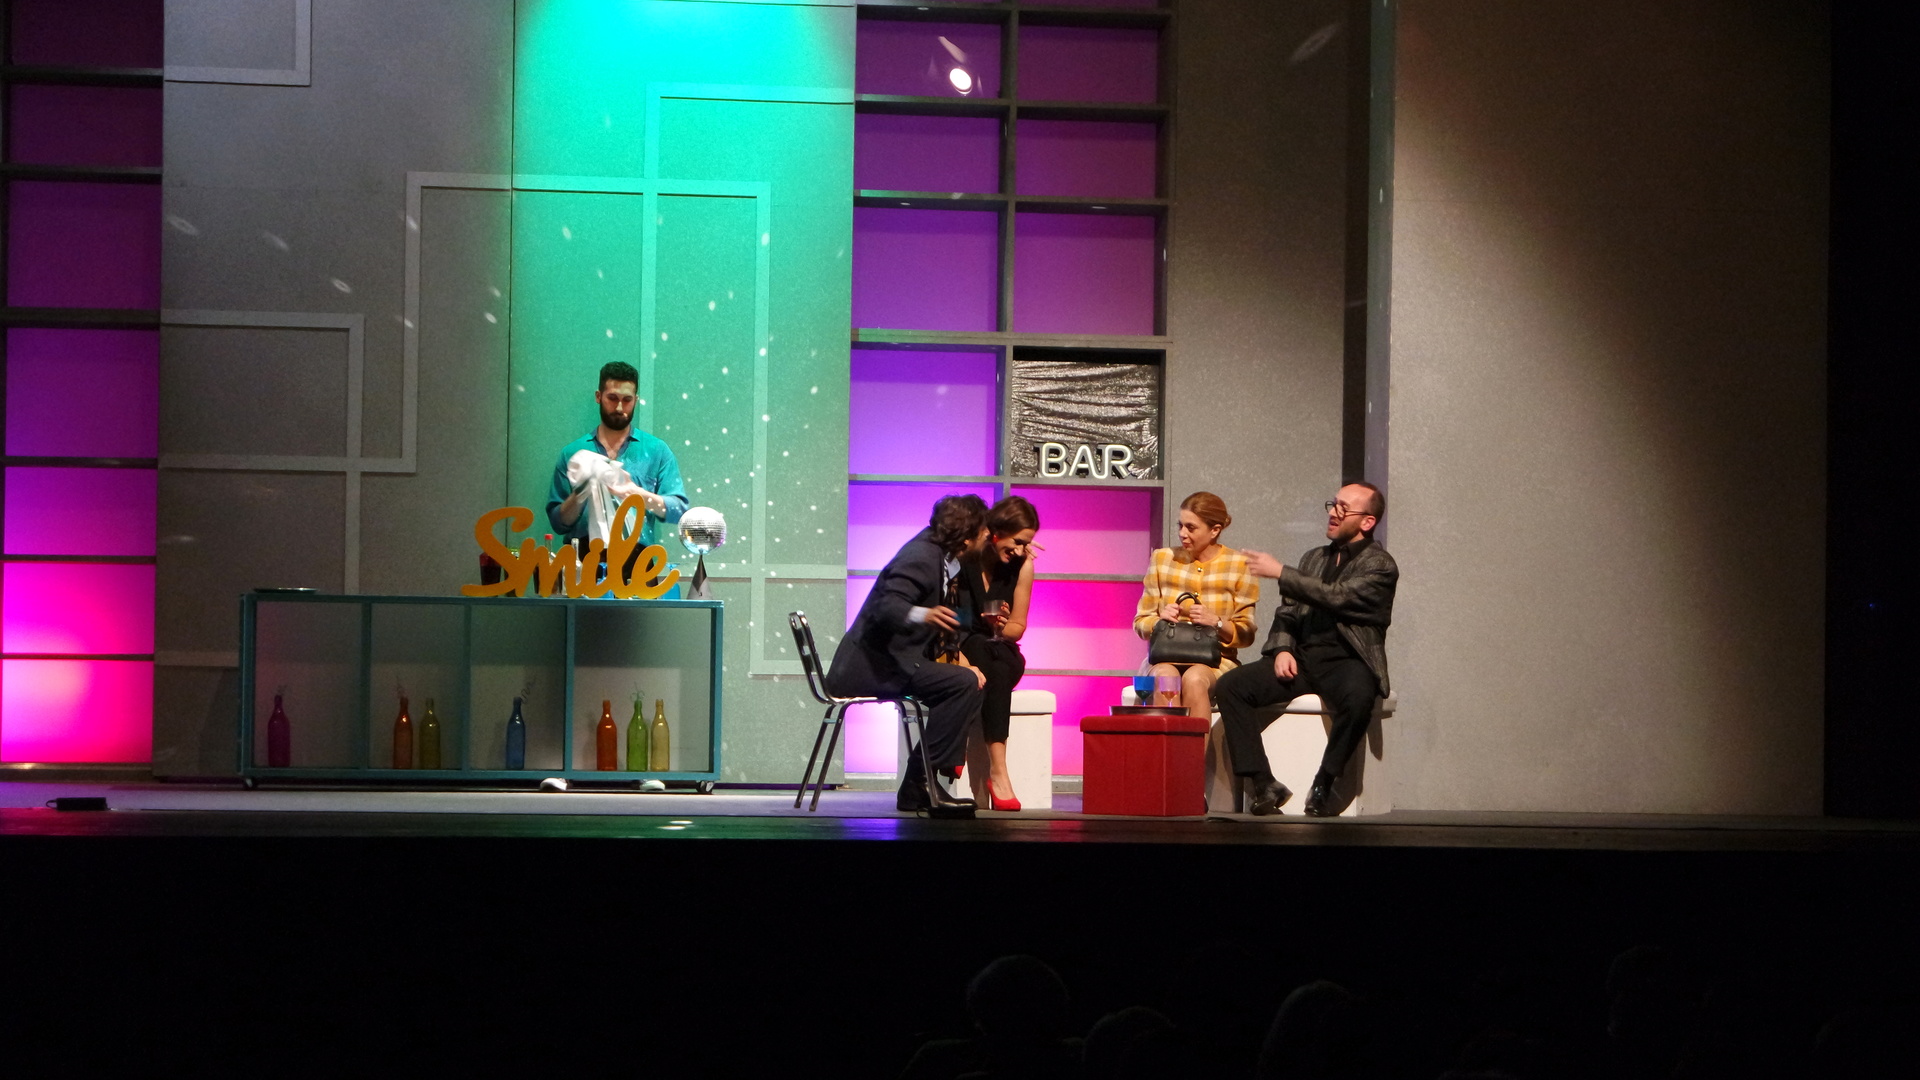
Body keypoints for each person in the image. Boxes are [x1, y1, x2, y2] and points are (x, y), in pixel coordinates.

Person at [1220, 482, 1397, 817]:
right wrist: (1283, 648)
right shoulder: (1314, 557)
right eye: (1334, 504)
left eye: (1344, 508)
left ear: (1367, 522)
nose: (1333, 512)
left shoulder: (1380, 565)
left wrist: (1280, 572)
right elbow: (1288, 611)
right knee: (1232, 686)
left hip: (1348, 660)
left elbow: (1337, 596)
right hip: (1302, 658)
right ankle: (1263, 782)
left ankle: (1324, 782)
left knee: (1359, 698)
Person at [828, 494, 991, 815]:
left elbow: (947, 616)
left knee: (966, 682)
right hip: (872, 667)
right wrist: (924, 614)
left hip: (893, 662)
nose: (988, 535)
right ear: (967, 536)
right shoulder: (921, 556)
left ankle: (920, 783)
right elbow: (887, 607)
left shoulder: (943, 557)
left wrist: (971, 632)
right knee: (962, 684)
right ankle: (921, 782)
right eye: (983, 530)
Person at [546, 361, 688, 571]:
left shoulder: (657, 451)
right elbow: (558, 523)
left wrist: (635, 493)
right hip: (583, 563)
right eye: (612, 398)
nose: (620, 407)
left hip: (638, 563)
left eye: (627, 400)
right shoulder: (572, 453)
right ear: (598, 397)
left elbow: (678, 510)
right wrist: (581, 493)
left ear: (636, 400)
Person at [1132, 492, 1259, 719]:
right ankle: (1167, 743)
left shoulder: (1240, 566)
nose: (1182, 533)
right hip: (1164, 657)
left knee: (1195, 679)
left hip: (1216, 660)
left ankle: (1195, 744)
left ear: (1215, 530)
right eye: (1180, 525)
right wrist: (1159, 622)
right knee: (1166, 678)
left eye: (1191, 528)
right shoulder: (1162, 559)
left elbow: (1246, 633)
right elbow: (1141, 622)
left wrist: (1216, 622)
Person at [955, 496, 1042, 811]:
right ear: (996, 532)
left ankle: (968, 754)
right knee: (995, 664)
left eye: (1027, 544)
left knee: (1000, 660)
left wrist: (1003, 625)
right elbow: (956, 622)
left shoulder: (1022, 565)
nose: (1021, 550)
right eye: (1018, 542)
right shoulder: (966, 558)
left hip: (1001, 646)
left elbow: (1017, 628)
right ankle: (999, 774)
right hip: (967, 645)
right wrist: (963, 657)